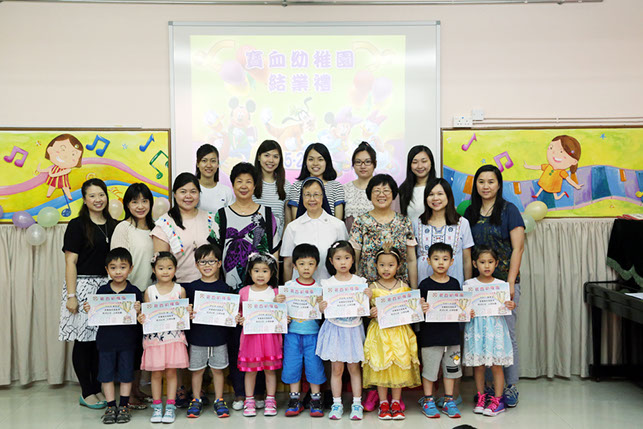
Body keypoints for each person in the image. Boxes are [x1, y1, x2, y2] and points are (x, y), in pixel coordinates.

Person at [210, 162, 278, 411]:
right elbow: (214, 253)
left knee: (262, 339)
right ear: (233, 184)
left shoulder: (267, 214)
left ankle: (260, 394)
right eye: (239, 181)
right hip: (230, 291)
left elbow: (274, 252)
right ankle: (240, 394)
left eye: (249, 181)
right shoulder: (221, 215)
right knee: (237, 343)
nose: (244, 186)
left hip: (261, 292)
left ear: (255, 185)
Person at [464, 164, 525, 407]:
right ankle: (488, 389)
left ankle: (510, 386)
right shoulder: (470, 212)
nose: (486, 186)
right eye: (481, 181)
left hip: (503, 286)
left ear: (499, 184)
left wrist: (510, 282)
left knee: (506, 335)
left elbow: (518, 248)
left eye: (491, 181)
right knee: (482, 335)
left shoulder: (509, 210)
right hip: (478, 287)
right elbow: (466, 250)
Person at [59, 178, 116, 409]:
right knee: (83, 341)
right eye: (92, 195)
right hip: (82, 287)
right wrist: (72, 296)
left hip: (107, 288)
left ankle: (96, 387)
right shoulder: (77, 225)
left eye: (101, 194)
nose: (97, 199)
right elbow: (70, 262)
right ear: (84, 199)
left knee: (99, 342)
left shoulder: (114, 225)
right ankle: (86, 391)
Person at [83, 248, 143, 424]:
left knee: (126, 375)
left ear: (130, 269)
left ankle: (123, 406)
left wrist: (139, 311)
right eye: (113, 267)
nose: (118, 271)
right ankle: (111, 406)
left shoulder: (135, 292)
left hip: (128, 342)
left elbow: (141, 319)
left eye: (122, 267)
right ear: (107, 269)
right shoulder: (101, 291)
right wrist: (89, 309)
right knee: (106, 375)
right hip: (106, 342)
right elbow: (96, 315)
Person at [363, 246, 420, 421]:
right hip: (379, 334)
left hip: (399, 333)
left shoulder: (404, 287)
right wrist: (370, 311)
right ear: (376, 266)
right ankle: (383, 403)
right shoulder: (371, 287)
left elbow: (411, 309)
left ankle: (395, 401)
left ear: (398, 266)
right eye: (382, 265)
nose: (386, 269)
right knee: (382, 367)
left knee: (398, 367)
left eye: (390, 265)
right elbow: (364, 310)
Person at [316, 241, 372, 421]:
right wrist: (321, 306)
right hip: (335, 328)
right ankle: (337, 403)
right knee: (337, 369)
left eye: (347, 258)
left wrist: (368, 297)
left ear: (353, 260)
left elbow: (366, 307)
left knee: (354, 368)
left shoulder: (360, 282)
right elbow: (321, 308)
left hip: (353, 329)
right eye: (338, 258)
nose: (343, 262)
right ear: (331, 261)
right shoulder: (327, 283)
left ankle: (357, 403)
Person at [138, 252, 191, 424]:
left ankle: (170, 406)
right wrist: (141, 318)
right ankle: (157, 407)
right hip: (155, 340)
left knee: (171, 373)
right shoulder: (150, 291)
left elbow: (183, 315)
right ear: (154, 270)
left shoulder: (180, 290)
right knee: (156, 374)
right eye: (161, 268)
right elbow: (146, 314)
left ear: (175, 269)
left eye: (169, 268)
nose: (165, 271)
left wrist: (188, 312)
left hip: (173, 339)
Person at [463, 246, 516, 417]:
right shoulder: (469, 285)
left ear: (496, 263)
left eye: (490, 262)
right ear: (475, 263)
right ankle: (481, 397)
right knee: (478, 365)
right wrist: (467, 311)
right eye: (482, 262)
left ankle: (498, 400)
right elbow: (464, 308)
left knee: (496, 365)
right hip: (477, 329)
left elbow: (507, 306)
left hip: (495, 328)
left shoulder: (501, 285)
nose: (486, 266)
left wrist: (511, 305)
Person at [277, 244, 326, 418]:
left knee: (314, 366)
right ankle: (294, 399)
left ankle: (316, 399)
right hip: (292, 334)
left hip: (313, 333)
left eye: (311, 264)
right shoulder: (288, 287)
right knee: (292, 365)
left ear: (316, 266)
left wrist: (323, 306)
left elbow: (325, 312)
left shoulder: (320, 289)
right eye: (302, 264)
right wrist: (278, 304)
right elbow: (279, 312)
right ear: (295, 266)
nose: (306, 268)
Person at [184, 244, 232, 419]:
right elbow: (184, 314)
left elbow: (230, 315)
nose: (207, 265)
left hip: (218, 338)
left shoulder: (226, 289)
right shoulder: (190, 288)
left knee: (218, 370)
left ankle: (219, 400)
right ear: (196, 265)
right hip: (198, 337)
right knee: (197, 371)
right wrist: (188, 312)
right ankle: (196, 399)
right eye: (203, 262)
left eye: (211, 261)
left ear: (219, 263)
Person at [418, 243, 464, 419]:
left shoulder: (455, 283)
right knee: (430, 370)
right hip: (431, 337)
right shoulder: (424, 284)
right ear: (429, 261)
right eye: (436, 259)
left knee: (451, 369)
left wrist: (466, 311)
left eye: (445, 259)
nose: (440, 263)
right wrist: (421, 308)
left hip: (452, 336)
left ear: (452, 261)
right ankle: (428, 400)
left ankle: (448, 400)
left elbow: (460, 307)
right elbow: (417, 311)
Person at [236, 253, 283, 417]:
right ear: (250, 272)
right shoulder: (244, 292)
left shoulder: (276, 293)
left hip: (270, 337)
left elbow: (282, 314)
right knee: (250, 370)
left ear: (272, 273)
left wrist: (284, 316)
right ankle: (249, 400)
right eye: (256, 271)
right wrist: (239, 318)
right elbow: (238, 313)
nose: (260, 275)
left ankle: (270, 400)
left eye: (265, 271)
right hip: (251, 338)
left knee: (270, 370)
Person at [350, 174, 418, 287]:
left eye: (386, 190)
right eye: (376, 191)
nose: (381, 194)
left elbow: (411, 260)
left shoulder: (404, 222)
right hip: (369, 288)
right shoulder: (360, 222)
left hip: (399, 289)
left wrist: (414, 289)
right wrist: (357, 289)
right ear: (370, 194)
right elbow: (355, 260)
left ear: (393, 194)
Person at [151, 173, 216, 284]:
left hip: (208, 285)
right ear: (175, 194)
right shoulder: (164, 224)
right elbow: (161, 265)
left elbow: (217, 256)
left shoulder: (211, 219)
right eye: (183, 192)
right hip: (178, 287)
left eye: (193, 191)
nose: (188, 196)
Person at [282, 177, 348, 282]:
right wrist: (288, 288)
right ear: (302, 197)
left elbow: (345, 258)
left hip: (330, 287)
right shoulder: (292, 227)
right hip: (300, 289)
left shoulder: (338, 225)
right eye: (307, 195)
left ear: (323, 196)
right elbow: (288, 264)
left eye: (316, 194)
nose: (312, 199)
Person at [413, 178, 473, 287]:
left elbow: (467, 259)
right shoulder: (417, 223)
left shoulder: (462, 223)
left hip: (454, 287)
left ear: (448, 196)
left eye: (440, 194)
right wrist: (414, 289)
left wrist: (468, 286)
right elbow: (412, 259)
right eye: (431, 194)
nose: (435, 198)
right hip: (424, 286)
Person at [111, 183, 155, 291]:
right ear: (127, 205)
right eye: (135, 202)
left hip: (153, 292)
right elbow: (117, 263)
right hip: (129, 292)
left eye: (144, 201)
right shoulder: (123, 228)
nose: (140, 206)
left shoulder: (156, 229)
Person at [287, 143, 345, 220]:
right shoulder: (296, 186)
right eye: (311, 159)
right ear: (305, 162)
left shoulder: (336, 186)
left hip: (330, 227)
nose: (315, 163)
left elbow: (338, 221)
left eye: (320, 159)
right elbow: (296, 220)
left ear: (327, 162)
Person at [252, 139, 292, 242]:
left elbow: (288, 220)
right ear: (259, 157)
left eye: (275, 156)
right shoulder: (250, 183)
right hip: (252, 241)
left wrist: (283, 243)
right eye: (267, 155)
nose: (271, 160)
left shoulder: (286, 185)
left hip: (277, 242)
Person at [523, 135, 583, 200]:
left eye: (561, 152)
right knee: (542, 187)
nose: (554, 153)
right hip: (546, 182)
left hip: (554, 186)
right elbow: (538, 167)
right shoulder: (548, 167)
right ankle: (537, 195)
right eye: (551, 148)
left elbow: (569, 180)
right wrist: (527, 166)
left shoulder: (561, 172)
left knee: (556, 197)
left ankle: (563, 193)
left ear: (574, 161)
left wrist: (576, 186)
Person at [343, 142, 376, 230]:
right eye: (358, 162)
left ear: (374, 164)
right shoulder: (344, 189)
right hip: (350, 238)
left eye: (367, 162)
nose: (363, 166)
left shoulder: (383, 188)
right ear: (353, 164)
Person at [398, 146, 436, 220]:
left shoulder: (439, 187)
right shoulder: (403, 190)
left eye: (424, 161)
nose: (420, 166)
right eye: (415, 162)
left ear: (431, 162)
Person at [195, 144, 234, 212]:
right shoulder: (191, 190)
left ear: (218, 164)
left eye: (213, 161)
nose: (209, 165)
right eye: (204, 161)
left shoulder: (226, 192)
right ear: (198, 164)